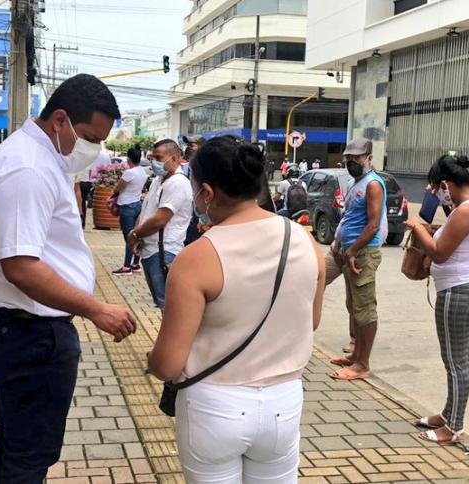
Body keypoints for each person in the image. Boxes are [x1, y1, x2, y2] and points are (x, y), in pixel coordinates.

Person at [0, 74, 137, 482]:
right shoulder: (27, 167)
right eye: (90, 137)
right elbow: (21, 266)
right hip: (26, 330)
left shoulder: (41, 159)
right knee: (29, 454)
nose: (94, 149)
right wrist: (97, 309)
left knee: (18, 442)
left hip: (23, 327)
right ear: (59, 120)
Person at [147, 135, 326, 483]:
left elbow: (167, 363)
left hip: (214, 407)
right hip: (283, 404)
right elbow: (311, 321)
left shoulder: (197, 258)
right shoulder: (305, 241)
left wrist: (152, 360)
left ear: (208, 193)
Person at [403, 152, 469, 445]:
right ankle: (448, 413)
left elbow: (440, 252)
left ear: (446, 184)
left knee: (456, 363)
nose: (436, 195)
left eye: (436, 189)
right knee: (456, 360)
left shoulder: (466, 211)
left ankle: (453, 427)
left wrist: (417, 226)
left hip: (460, 292)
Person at [327, 138, 387, 381]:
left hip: (363, 253)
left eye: (357, 158)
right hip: (347, 250)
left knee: (364, 309)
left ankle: (362, 364)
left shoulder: (373, 185)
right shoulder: (355, 182)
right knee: (354, 306)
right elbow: (349, 218)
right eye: (348, 158)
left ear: (369, 158)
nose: (351, 162)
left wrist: (352, 251)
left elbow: (373, 225)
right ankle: (355, 356)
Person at [129, 139, 193, 309]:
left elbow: (160, 219)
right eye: (153, 157)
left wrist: (135, 234)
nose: (154, 162)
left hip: (165, 252)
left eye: (159, 157)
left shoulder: (178, 183)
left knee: (169, 307)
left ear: (174, 158)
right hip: (151, 250)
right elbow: (146, 211)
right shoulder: (159, 180)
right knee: (162, 303)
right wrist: (137, 233)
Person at [111, 144, 148, 275]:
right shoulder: (142, 171)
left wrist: (113, 192)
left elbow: (118, 188)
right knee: (137, 235)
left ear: (128, 159)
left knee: (129, 237)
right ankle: (135, 263)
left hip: (127, 207)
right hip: (137, 205)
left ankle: (126, 267)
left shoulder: (129, 173)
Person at [74, 149, 108, 229]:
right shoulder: (88, 161)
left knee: (78, 201)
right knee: (83, 201)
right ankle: (83, 222)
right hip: (86, 182)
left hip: (78, 181)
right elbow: (90, 172)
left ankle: (79, 220)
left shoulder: (76, 161)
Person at [182, 135, 205, 246]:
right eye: (187, 146)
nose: (188, 148)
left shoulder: (207, 168)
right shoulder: (184, 168)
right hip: (187, 212)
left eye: (191, 145)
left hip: (201, 214)